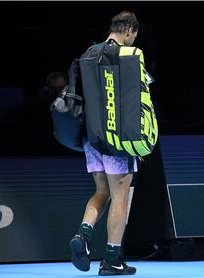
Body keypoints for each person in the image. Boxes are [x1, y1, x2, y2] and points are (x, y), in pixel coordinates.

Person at [69, 11, 140, 276]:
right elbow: (135, 102)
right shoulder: (127, 55)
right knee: (120, 196)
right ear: (130, 31)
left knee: (102, 191)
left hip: (91, 137)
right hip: (117, 139)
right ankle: (112, 260)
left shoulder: (88, 53)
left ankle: (84, 235)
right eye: (134, 36)